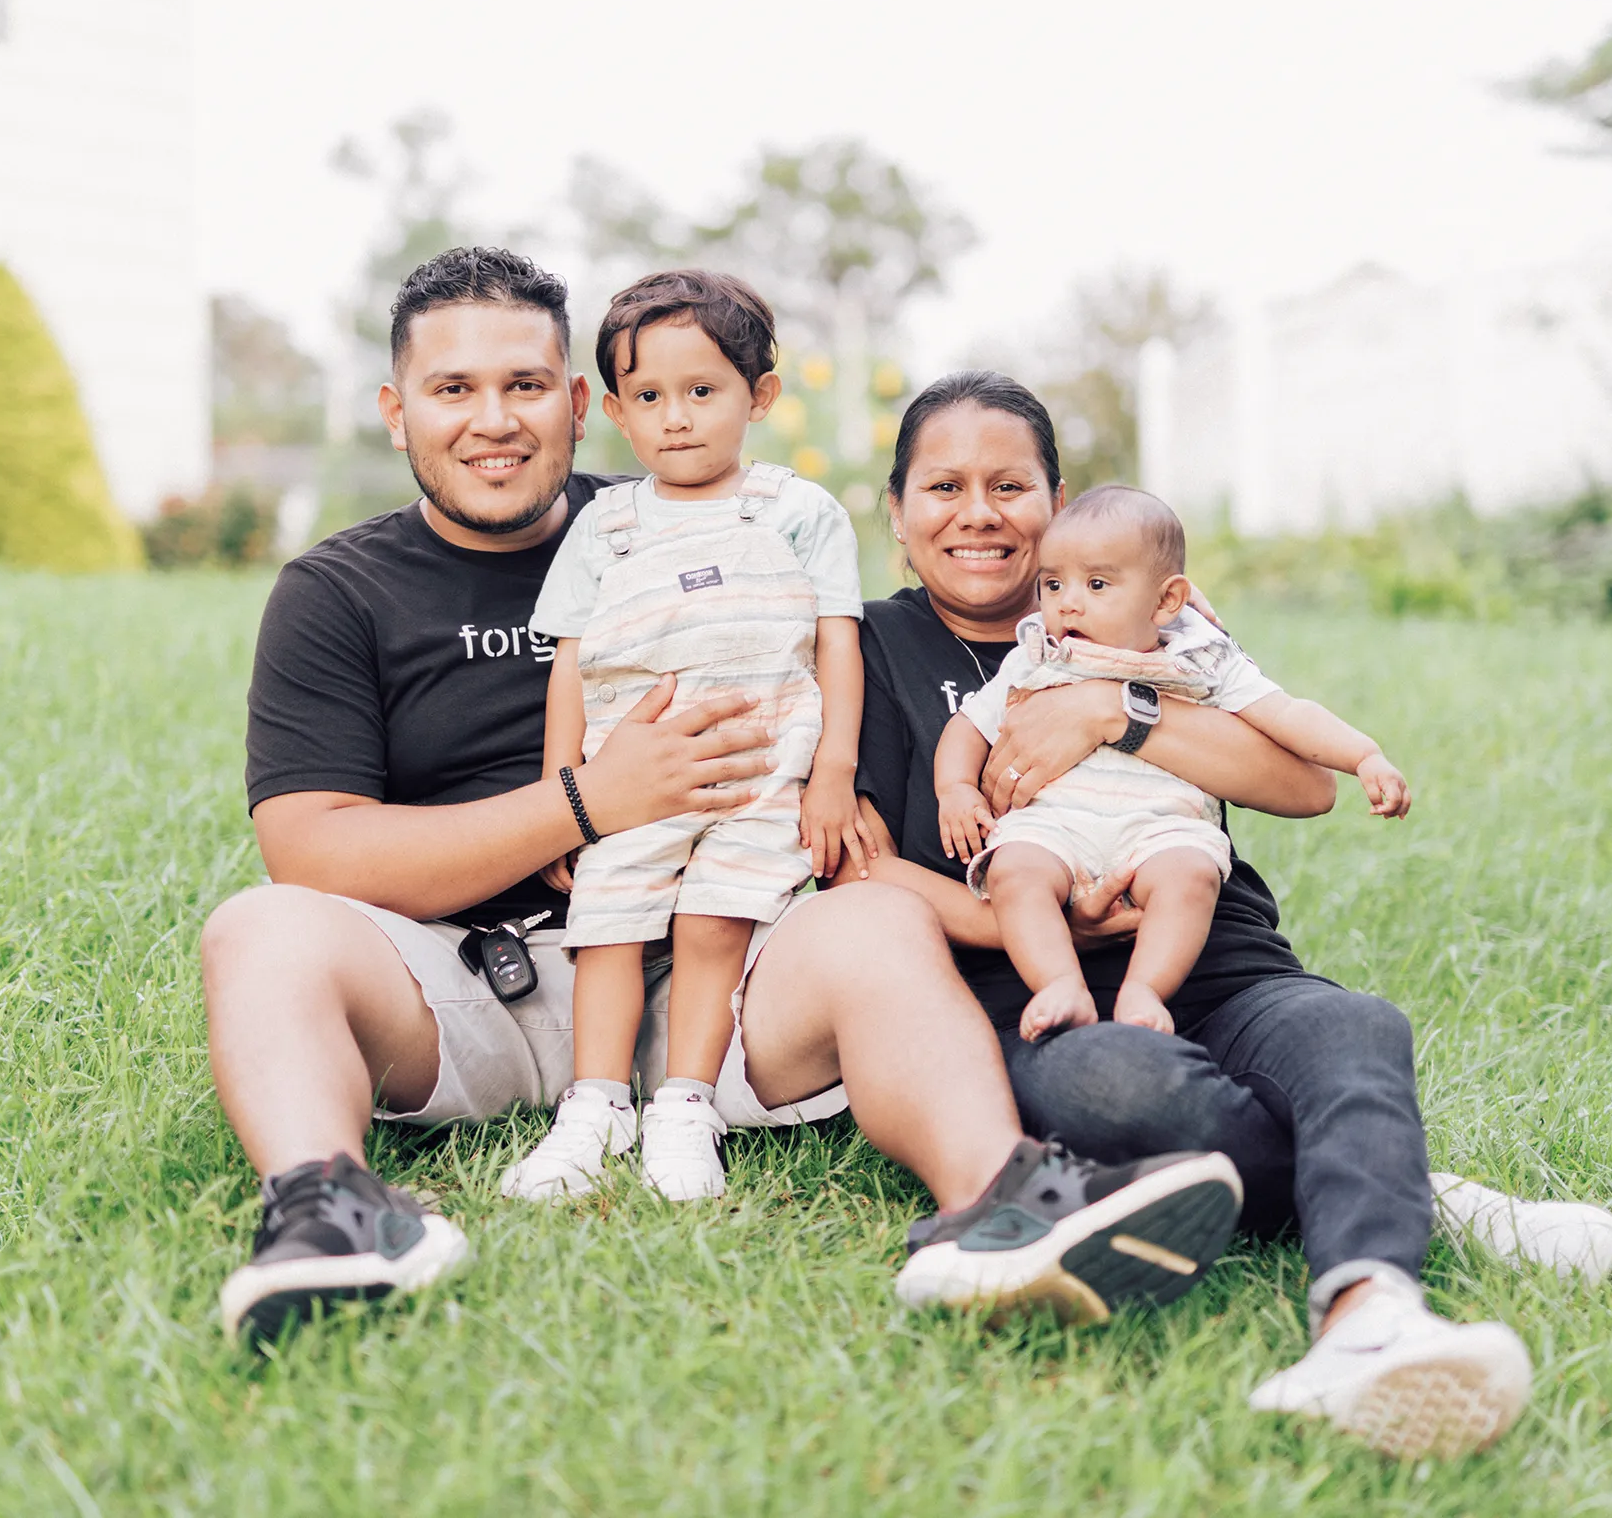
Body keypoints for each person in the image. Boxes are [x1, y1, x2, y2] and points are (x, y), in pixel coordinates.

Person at [201, 247, 1245, 1346]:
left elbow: (905, 611)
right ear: (394, 410)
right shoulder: (336, 593)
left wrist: (1128, 643)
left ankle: (999, 1205)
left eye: (521, 387)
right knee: (260, 928)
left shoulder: (695, 511)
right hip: (467, 987)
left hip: (737, 960)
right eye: (451, 390)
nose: (492, 420)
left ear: (573, 404)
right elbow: (310, 850)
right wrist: (587, 803)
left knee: (876, 917)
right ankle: (331, 1215)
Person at [841, 369, 1612, 1461]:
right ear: (894, 509)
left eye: (1009, 484)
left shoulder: (1143, 607)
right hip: (1032, 987)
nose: (977, 513)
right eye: (941, 486)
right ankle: (1393, 1183)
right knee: (1125, 1092)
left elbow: (1300, 786)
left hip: (1213, 950)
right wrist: (1035, 917)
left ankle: (1367, 1313)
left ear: (1056, 500)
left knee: (1355, 1030)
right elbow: (855, 867)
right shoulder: (865, 646)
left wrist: (1116, 712)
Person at [511, 269, 868, 1202]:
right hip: (628, 771)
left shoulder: (800, 512)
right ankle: (592, 1108)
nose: (676, 417)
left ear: (761, 397)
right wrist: (564, 797)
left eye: (702, 391)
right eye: (650, 397)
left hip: (761, 770)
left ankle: (684, 1103)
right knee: (608, 926)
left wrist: (833, 772)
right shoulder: (606, 525)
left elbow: (837, 644)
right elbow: (571, 664)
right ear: (619, 415)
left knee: (716, 923)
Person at [935, 483, 1410, 1044]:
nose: (1067, 602)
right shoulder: (1037, 654)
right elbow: (969, 724)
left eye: (1096, 585)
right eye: (1053, 583)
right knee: (1015, 872)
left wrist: (1363, 755)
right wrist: (957, 789)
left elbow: (1286, 713)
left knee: (1189, 877)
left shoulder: (1200, 659)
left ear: (1165, 601)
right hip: (1054, 826)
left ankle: (1146, 990)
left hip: (1162, 828)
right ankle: (1060, 984)